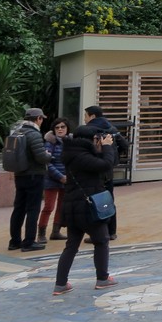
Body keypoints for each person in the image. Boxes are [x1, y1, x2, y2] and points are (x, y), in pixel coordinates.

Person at [53, 125, 119, 295]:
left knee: (71, 245)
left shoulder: (73, 153)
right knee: (102, 240)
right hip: (87, 207)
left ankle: (61, 283)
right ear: (91, 140)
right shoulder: (81, 156)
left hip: (72, 206)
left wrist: (102, 148)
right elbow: (106, 165)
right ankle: (102, 279)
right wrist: (107, 147)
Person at [9, 107, 52, 252]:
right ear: (38, 119)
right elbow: (40, 156)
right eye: (41, 119)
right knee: (33, 209)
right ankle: (29, 242)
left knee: (19, 208)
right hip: (34, 175)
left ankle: (14, 241)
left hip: (19, 174)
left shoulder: (17, 131)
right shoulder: (34, 134)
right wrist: (49, 155)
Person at [83, 105, 127, 240]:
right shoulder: (111, 129)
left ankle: (99, 233)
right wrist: (113, 157)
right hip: (108, 170)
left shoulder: (88, 131)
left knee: (95, 201)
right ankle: (111, 231)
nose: (84, 119)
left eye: (86, 115)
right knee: (109, 199)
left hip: (95, 170)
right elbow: (124, 145)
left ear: (92, 116)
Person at [38, 117, 71, 243]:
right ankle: (41, 233)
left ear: (67, 129)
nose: (60, 129)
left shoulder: (70, 141)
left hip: (66, 179)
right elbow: (47, 163)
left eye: (63, 127)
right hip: (52, 179)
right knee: (48, 207)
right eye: (57, 127)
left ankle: (56, 231)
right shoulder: (49, 142)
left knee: (61, 206)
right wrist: (60, 177)